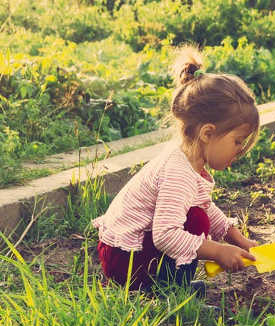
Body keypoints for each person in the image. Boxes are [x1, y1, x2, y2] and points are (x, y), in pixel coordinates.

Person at [92, 45, 260, 293]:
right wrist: (217, 251)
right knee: (195, 220)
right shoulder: (178, 172)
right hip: (126, 259)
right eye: (237, 141)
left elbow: (203, 203)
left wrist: (235, 238)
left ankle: (166, 284)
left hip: (127, 253)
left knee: (197, 214)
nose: (240, 150)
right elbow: (165, 235)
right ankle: (168, 291)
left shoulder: (188, 160)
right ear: (208, 133)